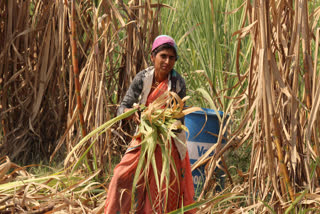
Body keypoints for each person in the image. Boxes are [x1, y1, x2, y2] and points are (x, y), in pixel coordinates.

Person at [104, 35, 195, 214]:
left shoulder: (177, 83)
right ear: (153, 57)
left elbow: (180, 119)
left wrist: (165, 119)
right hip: (143, 138)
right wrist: (134, 113)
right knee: (120, 177)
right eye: (163, 56)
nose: (167, 61)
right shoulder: (142, 78)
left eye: (171, 57)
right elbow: (122, 108)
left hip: (168, 143)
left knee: (160, 190)